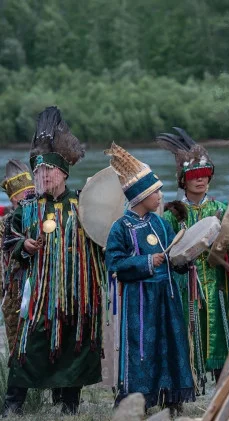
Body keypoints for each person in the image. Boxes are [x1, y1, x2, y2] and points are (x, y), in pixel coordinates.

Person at [2, 107, 107, 415]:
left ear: (63, 172)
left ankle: (69, 406)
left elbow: (103, 238)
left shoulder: (82, 203)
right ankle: (13, 407)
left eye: (47, 171)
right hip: (40, 298)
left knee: (75, 345)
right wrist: (25, 246)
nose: (42, 177)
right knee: (28, 349)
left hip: (79, 293)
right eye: (37, 172)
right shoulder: (28, 208)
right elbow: (10, 239)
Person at [104, 144, 195, 413]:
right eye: (155, 191)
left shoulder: (160, 223)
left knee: (172, 344)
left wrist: (183, 260)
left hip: (166, 296)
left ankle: (172, 398)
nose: (159, 196)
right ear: (140, 195)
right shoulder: (121, 227)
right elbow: (114, 263)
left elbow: (172, 257)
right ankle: (138, 401)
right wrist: (146, 261)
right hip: (140, 301)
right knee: (142, 350)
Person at [156, 128, 229, 387]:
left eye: (205, 174)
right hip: (186, 288)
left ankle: (222, 387)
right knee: (187, 335)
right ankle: (186, 389)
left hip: (216, 284)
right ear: (184, 180)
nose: (200, 180)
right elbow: (166, 253)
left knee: (220, 333)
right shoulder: (173, 213)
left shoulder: (220, 210)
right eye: (194, 175)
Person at [0, 160, 34, 355]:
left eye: (32, 193)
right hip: (14, 291)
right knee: (17, 346)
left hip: (40, 286)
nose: (29, 198)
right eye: (24, 195)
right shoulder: (6, 224)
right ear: (13, 200)